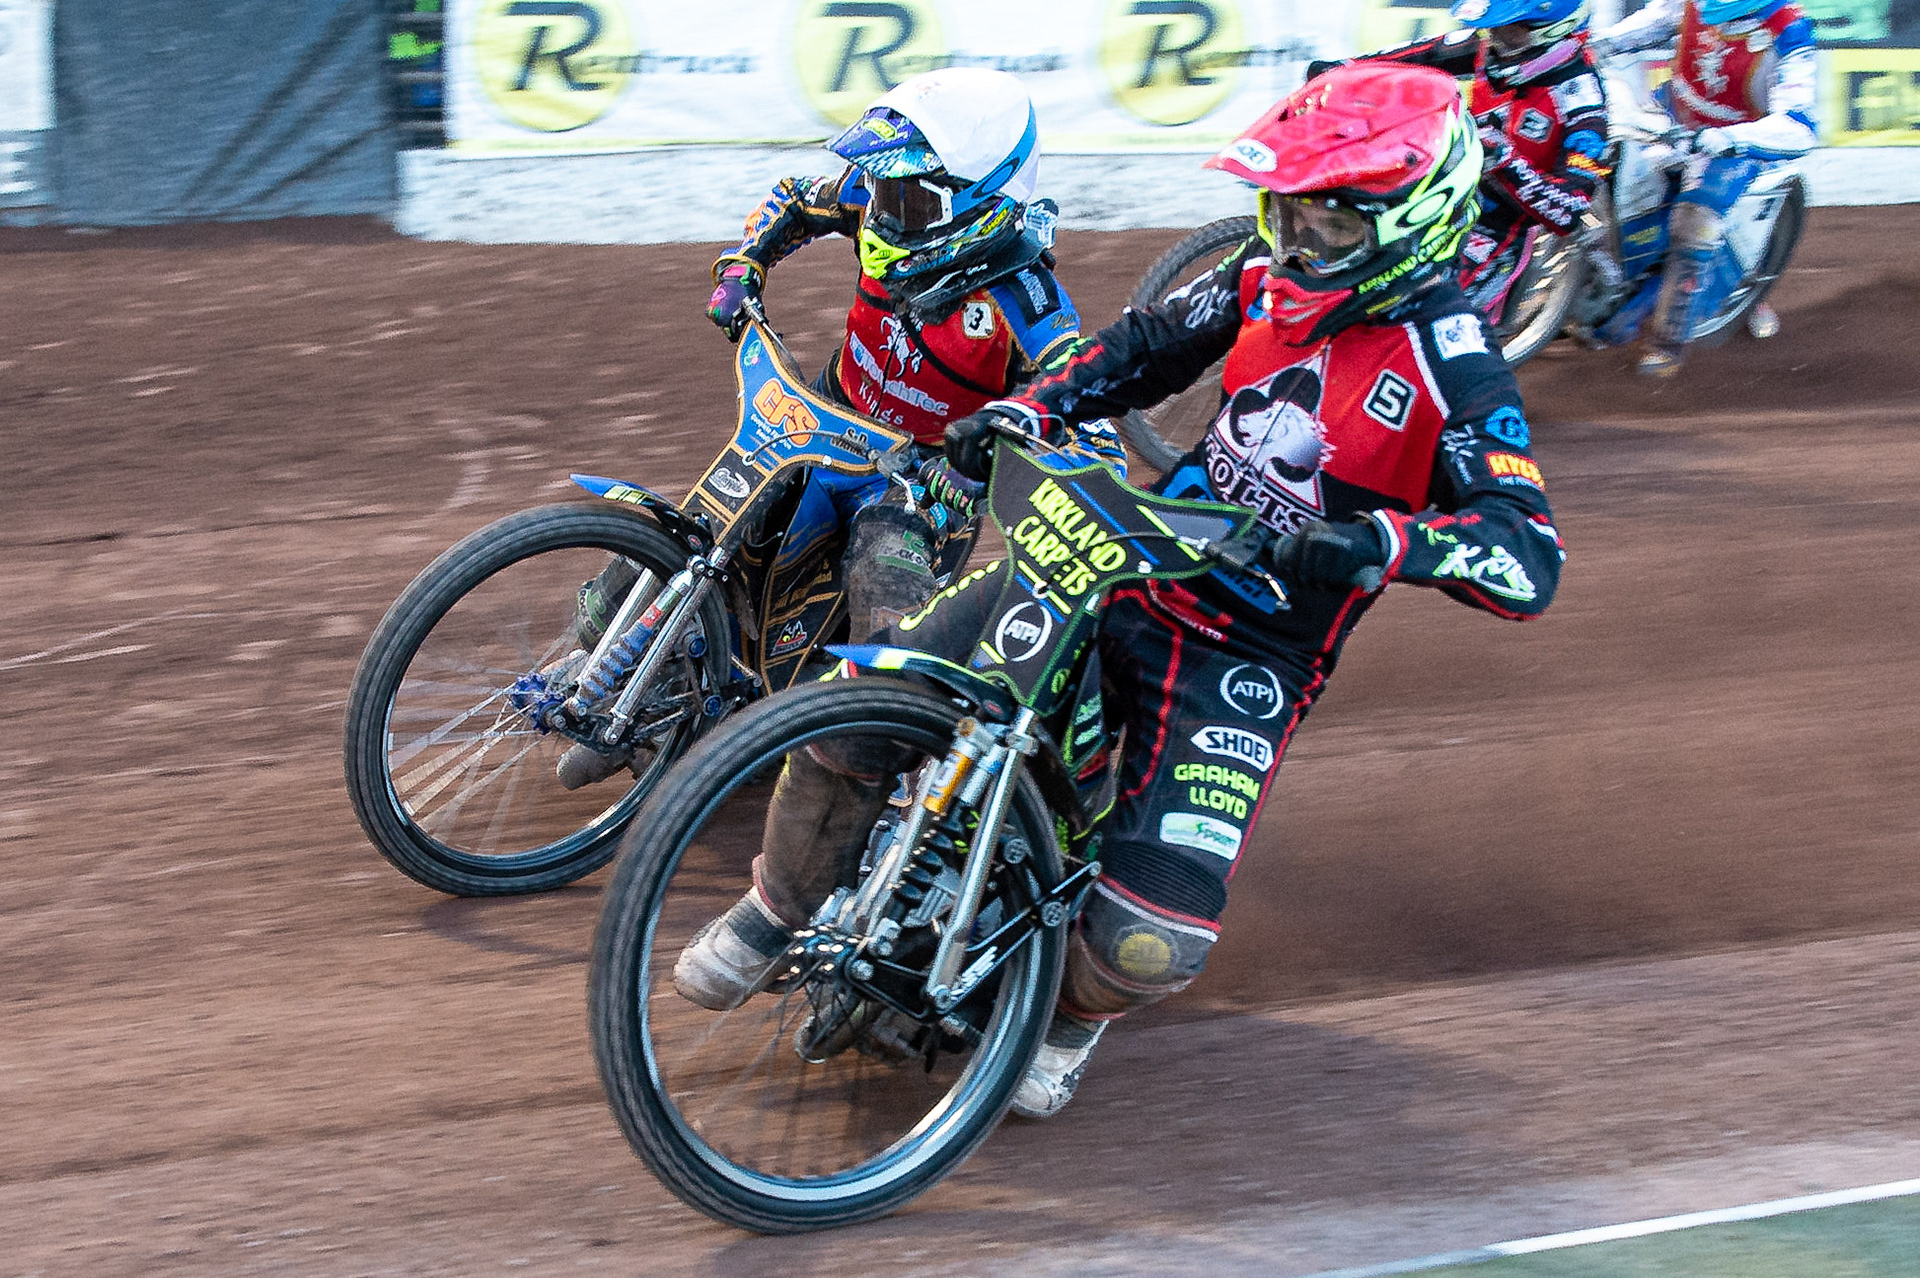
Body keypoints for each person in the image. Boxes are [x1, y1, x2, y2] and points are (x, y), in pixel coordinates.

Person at [675, 63, 1565, 1119]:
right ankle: (772, 914)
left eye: (1325, 228)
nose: (1293, 248)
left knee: (1152, 936)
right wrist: (1034, 409)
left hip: (1253, 650)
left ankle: (1070, 1018)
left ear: (1410, 219)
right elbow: (1146, 349)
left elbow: (1526, 556)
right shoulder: (1262, 271)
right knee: (872, 707)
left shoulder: (1455, 365)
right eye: (1283, 216)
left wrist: (1376, 542)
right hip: (1128, 556)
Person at [560, 67, 1122, 787]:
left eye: (911, 196)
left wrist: (1060, 450)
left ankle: (892, 786)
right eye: (887, 189)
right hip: (814, 423)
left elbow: (1081, 385)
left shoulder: (1025, 293)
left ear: (984, 197)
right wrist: (743, 267)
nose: (885, 210)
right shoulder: (878, 203)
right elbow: (794, 198)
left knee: (885, 608)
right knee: (701, 527)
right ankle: (653, 652)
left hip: (915, 483)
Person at [1312, 0, 1611, 327]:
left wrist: (1505, 160)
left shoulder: (1582, 101)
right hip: (1435, 189)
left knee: (1417, 319)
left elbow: (1570, 211)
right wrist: (1343, 69)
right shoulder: (1489, 47)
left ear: (1550, 32)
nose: (1494, 41)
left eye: (1507, 32)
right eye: (1491, 29)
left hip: (1494, 226)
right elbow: (1420, 55)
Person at [1591, 0, 1817, 376]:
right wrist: (1603, 42)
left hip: (1735, 140)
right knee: (1599, 166)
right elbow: (1658, 21)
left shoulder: (1791, 30)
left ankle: (1667, 345)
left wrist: (1728, 139)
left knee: (1694, 222)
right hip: (1671, 113)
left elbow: (1800, 125)